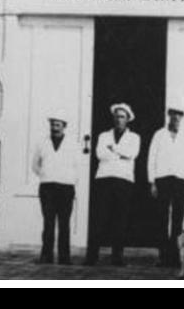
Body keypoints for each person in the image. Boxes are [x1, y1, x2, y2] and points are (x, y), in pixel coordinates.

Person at [85, 103, 141, 267]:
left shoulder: (134, 137)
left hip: (124, 180)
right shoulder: (103, 136)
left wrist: (114, 149)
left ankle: (117, 257)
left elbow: (132, 154)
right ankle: (92, 256)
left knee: (120, 219)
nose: (118, 119)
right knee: (98, 218)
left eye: (122, 117)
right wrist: (120, 153)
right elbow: (99, 154)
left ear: (128, 119)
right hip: (104, 178)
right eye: (116, 116)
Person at [147, 104, 184, 268]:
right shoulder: (159, 135)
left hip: (181, 181)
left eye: (179, 115)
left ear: (182, 117)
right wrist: (152, 182)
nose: (176, 117)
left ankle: (175, 257)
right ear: (169, 115)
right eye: (173, 114)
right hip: (163, 180)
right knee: (162, 218)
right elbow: (151, 158)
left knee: (178, 219)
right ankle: (163, 256)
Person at [31, 112, 82, 265]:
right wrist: (45, 175)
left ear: (64, 126)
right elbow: (35, 165)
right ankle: (46, 256)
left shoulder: (73, 144)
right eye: (52, 124)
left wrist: (69, 179)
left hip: (66, 187)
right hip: (47, 187)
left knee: (64, 223)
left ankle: (64, 258)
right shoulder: (42, 142)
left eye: (58, 124)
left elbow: (78, 166)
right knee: (48, 223)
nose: (54, 127)